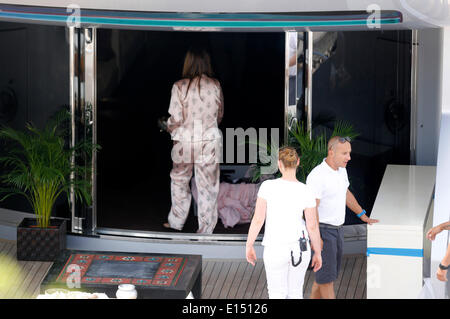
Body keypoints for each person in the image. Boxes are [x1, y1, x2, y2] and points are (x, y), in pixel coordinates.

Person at [306, 136, 379, 299]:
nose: (349, 157)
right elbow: (312, 210)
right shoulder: (317, 176)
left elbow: (345, 193)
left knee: (323, 277)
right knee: (327, 281)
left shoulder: (341, 170)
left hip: (338, 230)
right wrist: (316, 238)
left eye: (350, 153)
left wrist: (363, 215)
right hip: (324, 231)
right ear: (331, 152)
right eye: (345, 153)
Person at [246, 146, 322, 299]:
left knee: (276, 294)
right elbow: (312, 225)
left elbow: (258, 219)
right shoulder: (307, 190)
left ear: (279, 164)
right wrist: (318, 253)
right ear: (298, 162)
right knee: (295, 293)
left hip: (275, 247)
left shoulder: (267, 187)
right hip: (300, 247)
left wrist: (249, 245)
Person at [162, 47, 224, 234]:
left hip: (184, 141)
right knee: (208, 187)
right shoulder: (215, 85)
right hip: (209, 141)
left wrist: (168, 126)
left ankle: (176, 221)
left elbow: (176, 118)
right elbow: (219, 114)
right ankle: (205, 230)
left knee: (180, 180)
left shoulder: (179, 86)